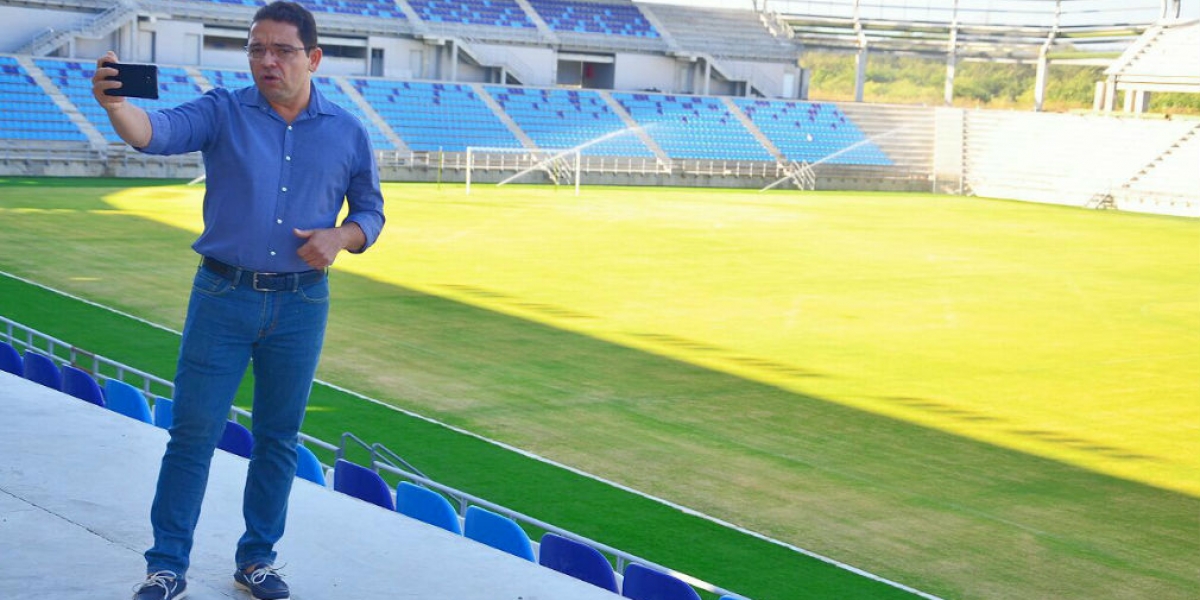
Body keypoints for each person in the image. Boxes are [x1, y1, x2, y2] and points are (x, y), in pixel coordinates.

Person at [91, 2, 385, 599]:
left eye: (282, 50)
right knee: (193, 434)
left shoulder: (348, 133)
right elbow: (157, 133)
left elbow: (371, 212)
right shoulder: (222, 110)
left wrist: (341, 236)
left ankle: (257, 560)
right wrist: (118, 106)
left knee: (279, 439)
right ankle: (166, 565)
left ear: (314, 58)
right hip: (222, 296)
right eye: (256, 49)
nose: (267, 61)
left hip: (302, 305)